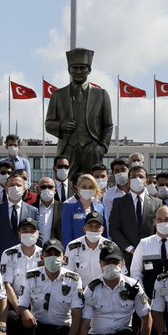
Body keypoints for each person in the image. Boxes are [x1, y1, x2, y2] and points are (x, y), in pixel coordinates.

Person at [69, 245, 151, 335]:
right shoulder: (92, 289)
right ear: (100, 264)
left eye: (115, 262)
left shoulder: (133, 286)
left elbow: (146, 318)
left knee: (128, 334)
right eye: (107, 262)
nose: (111, 266)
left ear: (123, 264)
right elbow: (84, 327)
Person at [13, 238, 84, 335]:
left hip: (61, 329)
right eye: (49, 253)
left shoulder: (73, 279)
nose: (53, 257)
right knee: (23, 327)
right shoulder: (31, 276)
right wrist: (25, 311)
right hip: (38, 326)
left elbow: (77, 315)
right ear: (42, 257)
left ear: (63, 258)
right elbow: (22, 305)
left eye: (56, 254)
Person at [45, 47, 114, 179]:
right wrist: (61, 126)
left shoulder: (101, 94)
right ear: (69, 70)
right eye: (74, 67)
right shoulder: (58, 95)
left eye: (82, 68)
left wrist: (102, 147)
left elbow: (108, 125)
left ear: (89, 70)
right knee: (65, 184)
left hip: (92, 148)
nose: (78, 71)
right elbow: (48, 124)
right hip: (68, 149)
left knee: (92, 184)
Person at [0, 172, 38, 267]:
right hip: (1, 259)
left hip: (26, 260)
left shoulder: (33, 211)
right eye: (12, 185)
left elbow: (38, 236)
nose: (15, 188)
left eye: (18, 185)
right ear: (6, 188)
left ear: (24, 189)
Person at [109, 161, 161, 257]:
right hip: (126, 254)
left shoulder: (157, 203)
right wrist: (130, 249)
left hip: (150, 253)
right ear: (129, 180)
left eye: (141, 177)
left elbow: (158, 229)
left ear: (146, 181)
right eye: (133, 177)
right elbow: (114, 229)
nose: (137, 179)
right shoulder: (119, 203)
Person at [130, 205, 168, 298]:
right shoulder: (144, 244)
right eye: (159, 219)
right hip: (151, 299)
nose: (163, 223)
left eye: (167, 219)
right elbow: (135, 273)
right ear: (154, 221)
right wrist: (143, 297)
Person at [65, 212, 111, 286]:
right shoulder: (72, 247)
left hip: (103, 292)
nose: (93, 229)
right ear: (84, 228)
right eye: (90, 226)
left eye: (97, 226)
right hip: (80, 291)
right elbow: (68, 273)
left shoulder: (110, 247)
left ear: (102, 229)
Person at [60, 173, 105, 245]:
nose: (87, 189)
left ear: (95, 189)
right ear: (78, 188)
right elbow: (66, 235)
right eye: (84, 187)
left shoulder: (101, 208)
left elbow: (104, 233)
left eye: (90, 187)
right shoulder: (68, 208)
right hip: (77, 251)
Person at [34, 176, 63, 242]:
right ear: (38, 190)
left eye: (50, 187)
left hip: (55, 250)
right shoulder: (31, 208)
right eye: (43, 187)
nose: (47, 190)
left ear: (55, 191)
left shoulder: (64, 208)